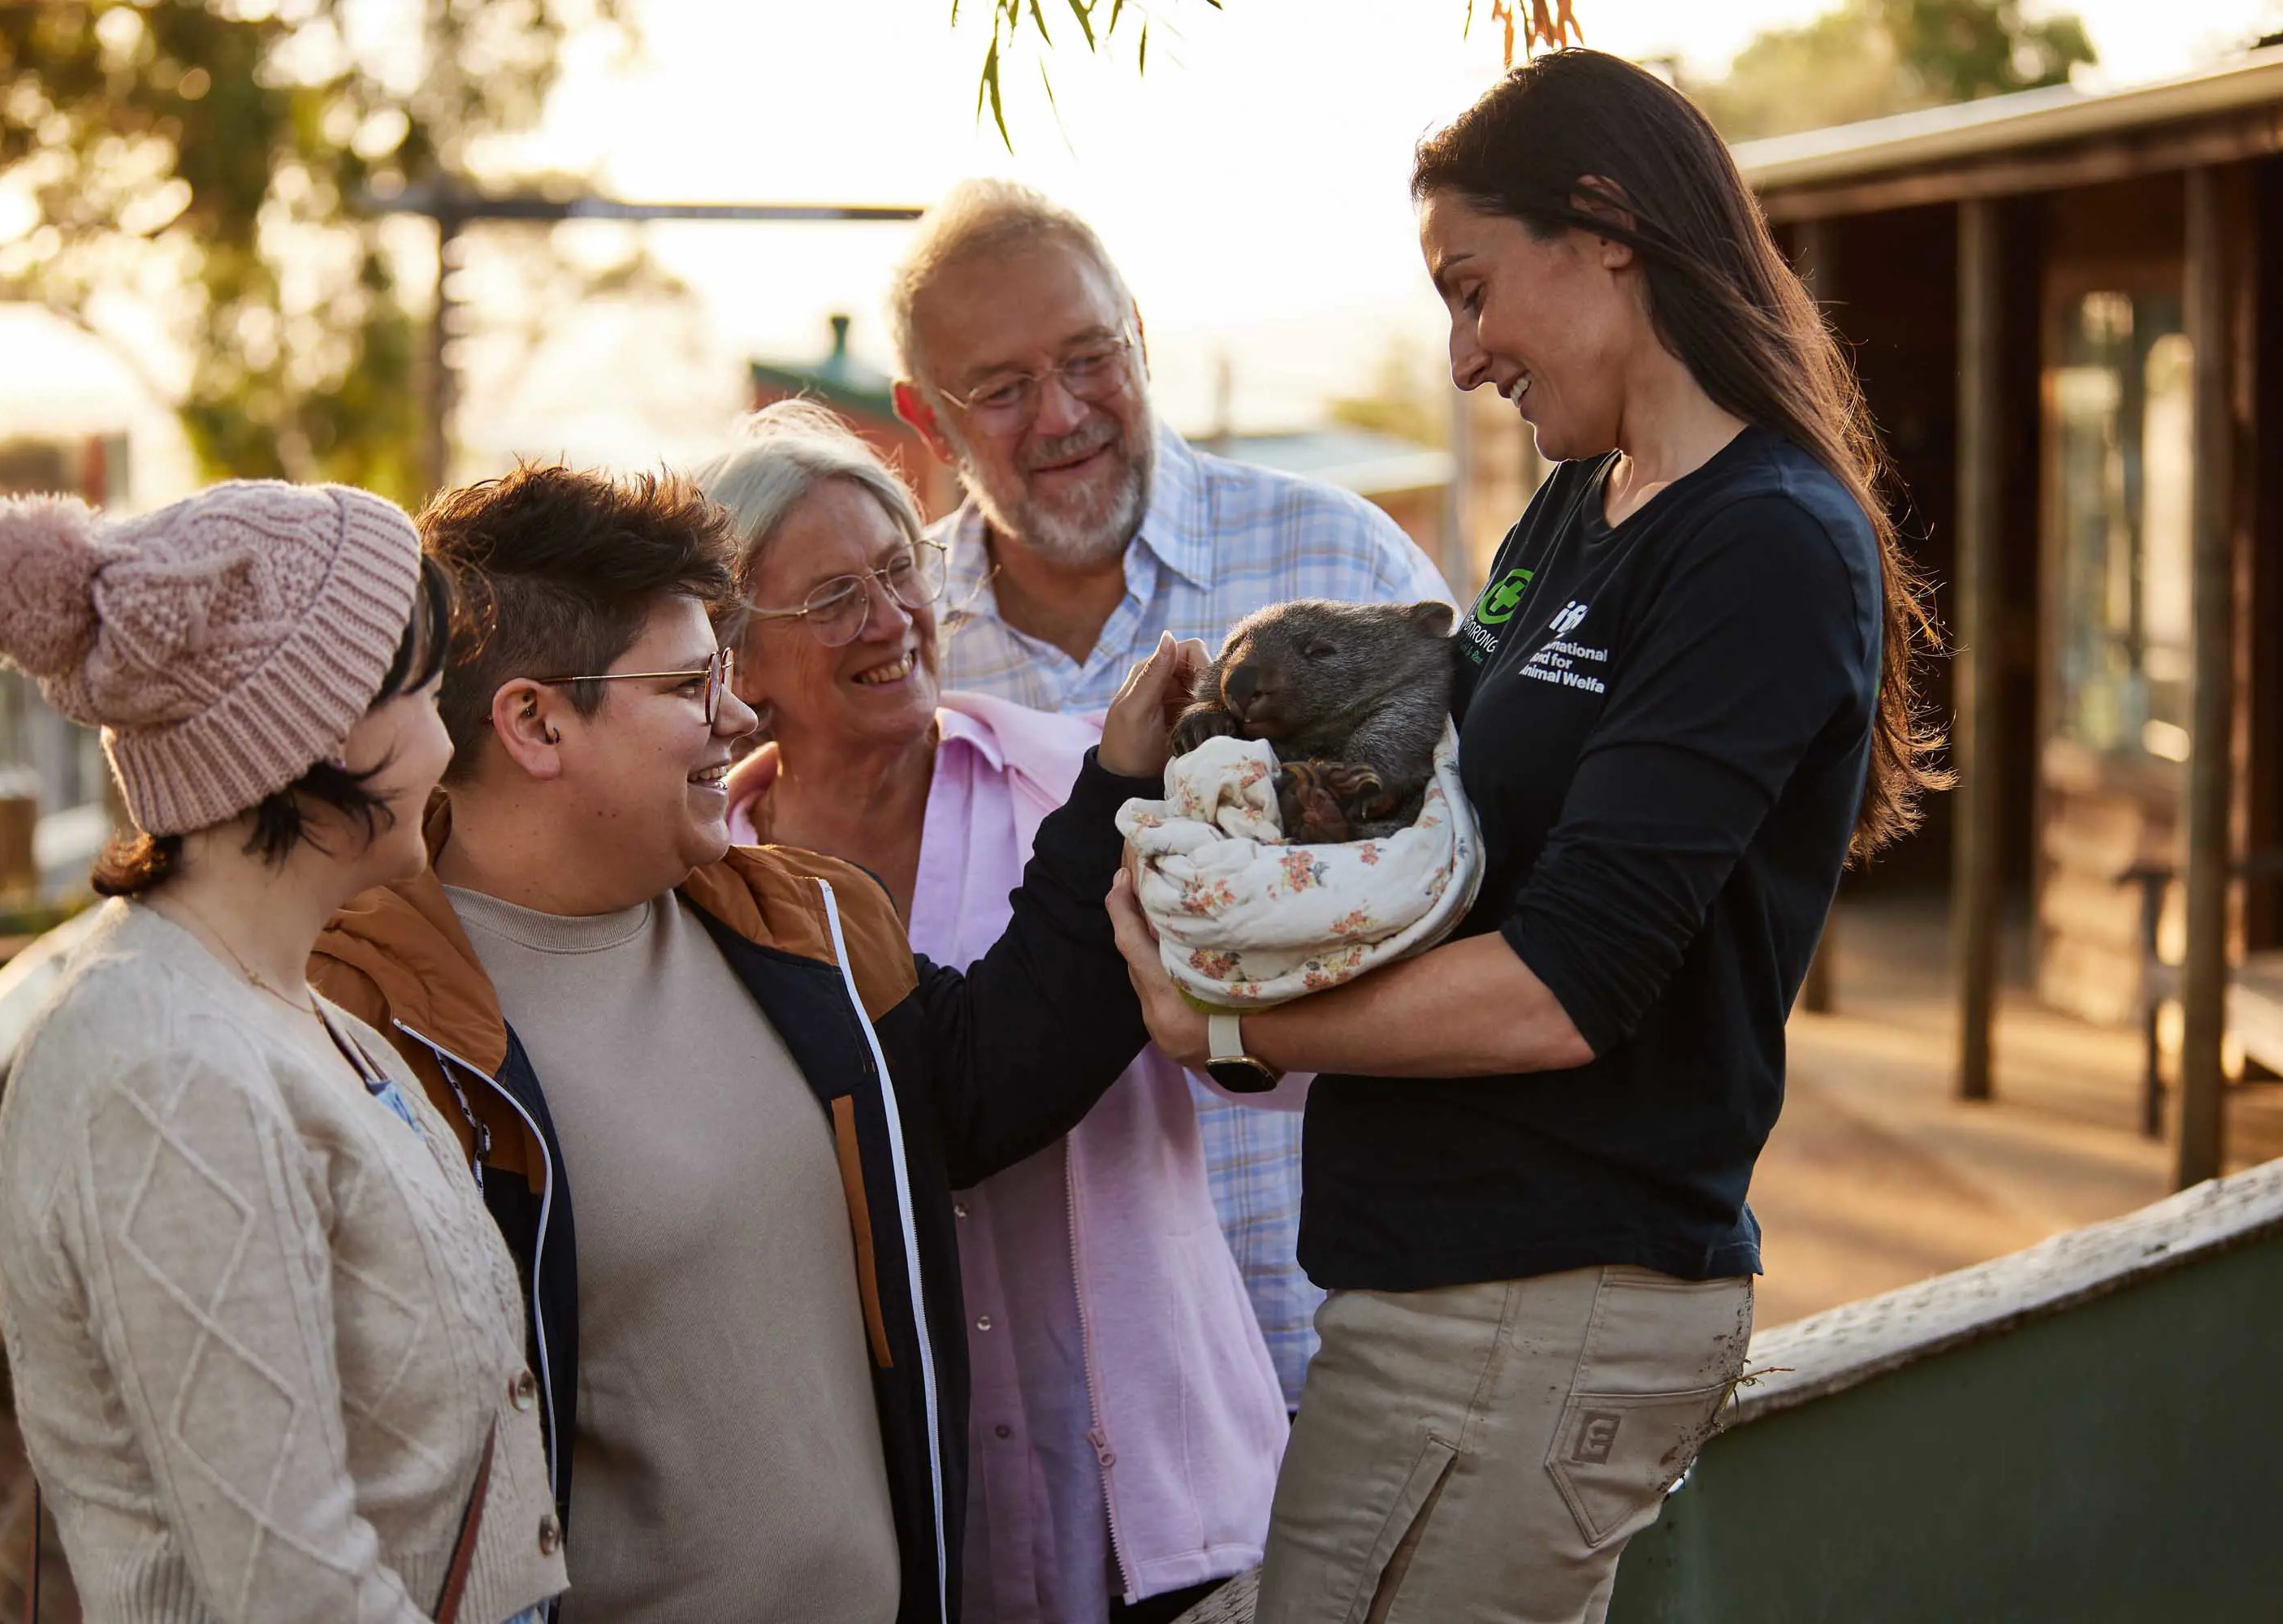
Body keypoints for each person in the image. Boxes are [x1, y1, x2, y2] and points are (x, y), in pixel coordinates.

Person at [1104, 50, 1939, 1623]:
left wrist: (1230, 1018)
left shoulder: (1762, 544)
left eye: (1472, 288)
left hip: (1550, 1301)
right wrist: (1228, 807)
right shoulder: (1576, 508)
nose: (1465, 348)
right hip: (1428, 1290)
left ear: (1607, 223)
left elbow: (1564, 987)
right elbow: (1445, 823)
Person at [307, 463, 1190, 1624]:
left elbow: (978, 1088)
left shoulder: (806, 925)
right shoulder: (366, 1028)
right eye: (687, 682)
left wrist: (1121, 786)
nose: (737, 714)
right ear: (533, 721)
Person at [701, 402, 1291, 1624]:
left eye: (897, 570)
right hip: (904, 1547)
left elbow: (1275, 1061)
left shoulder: (1086, 775)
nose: (888, 619)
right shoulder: (697, 892)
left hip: (1164, 1525)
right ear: (735, 658)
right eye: (829, 598)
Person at [889, 179, 1455, 1410]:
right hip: (1045, 1401)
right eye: (998, 388)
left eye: (1090, 357)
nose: (1061, 414)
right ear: (923, 421)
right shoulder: (893, 651)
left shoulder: (1337, 564)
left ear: (1138, 333)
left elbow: (1478, 878)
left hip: (1335, 1335)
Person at [0, 482, 566, 1624]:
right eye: (431, 696)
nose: (447, 741)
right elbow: (292, 1587)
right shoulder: (162, 1071)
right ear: (332, 726)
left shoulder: (292, 1018)